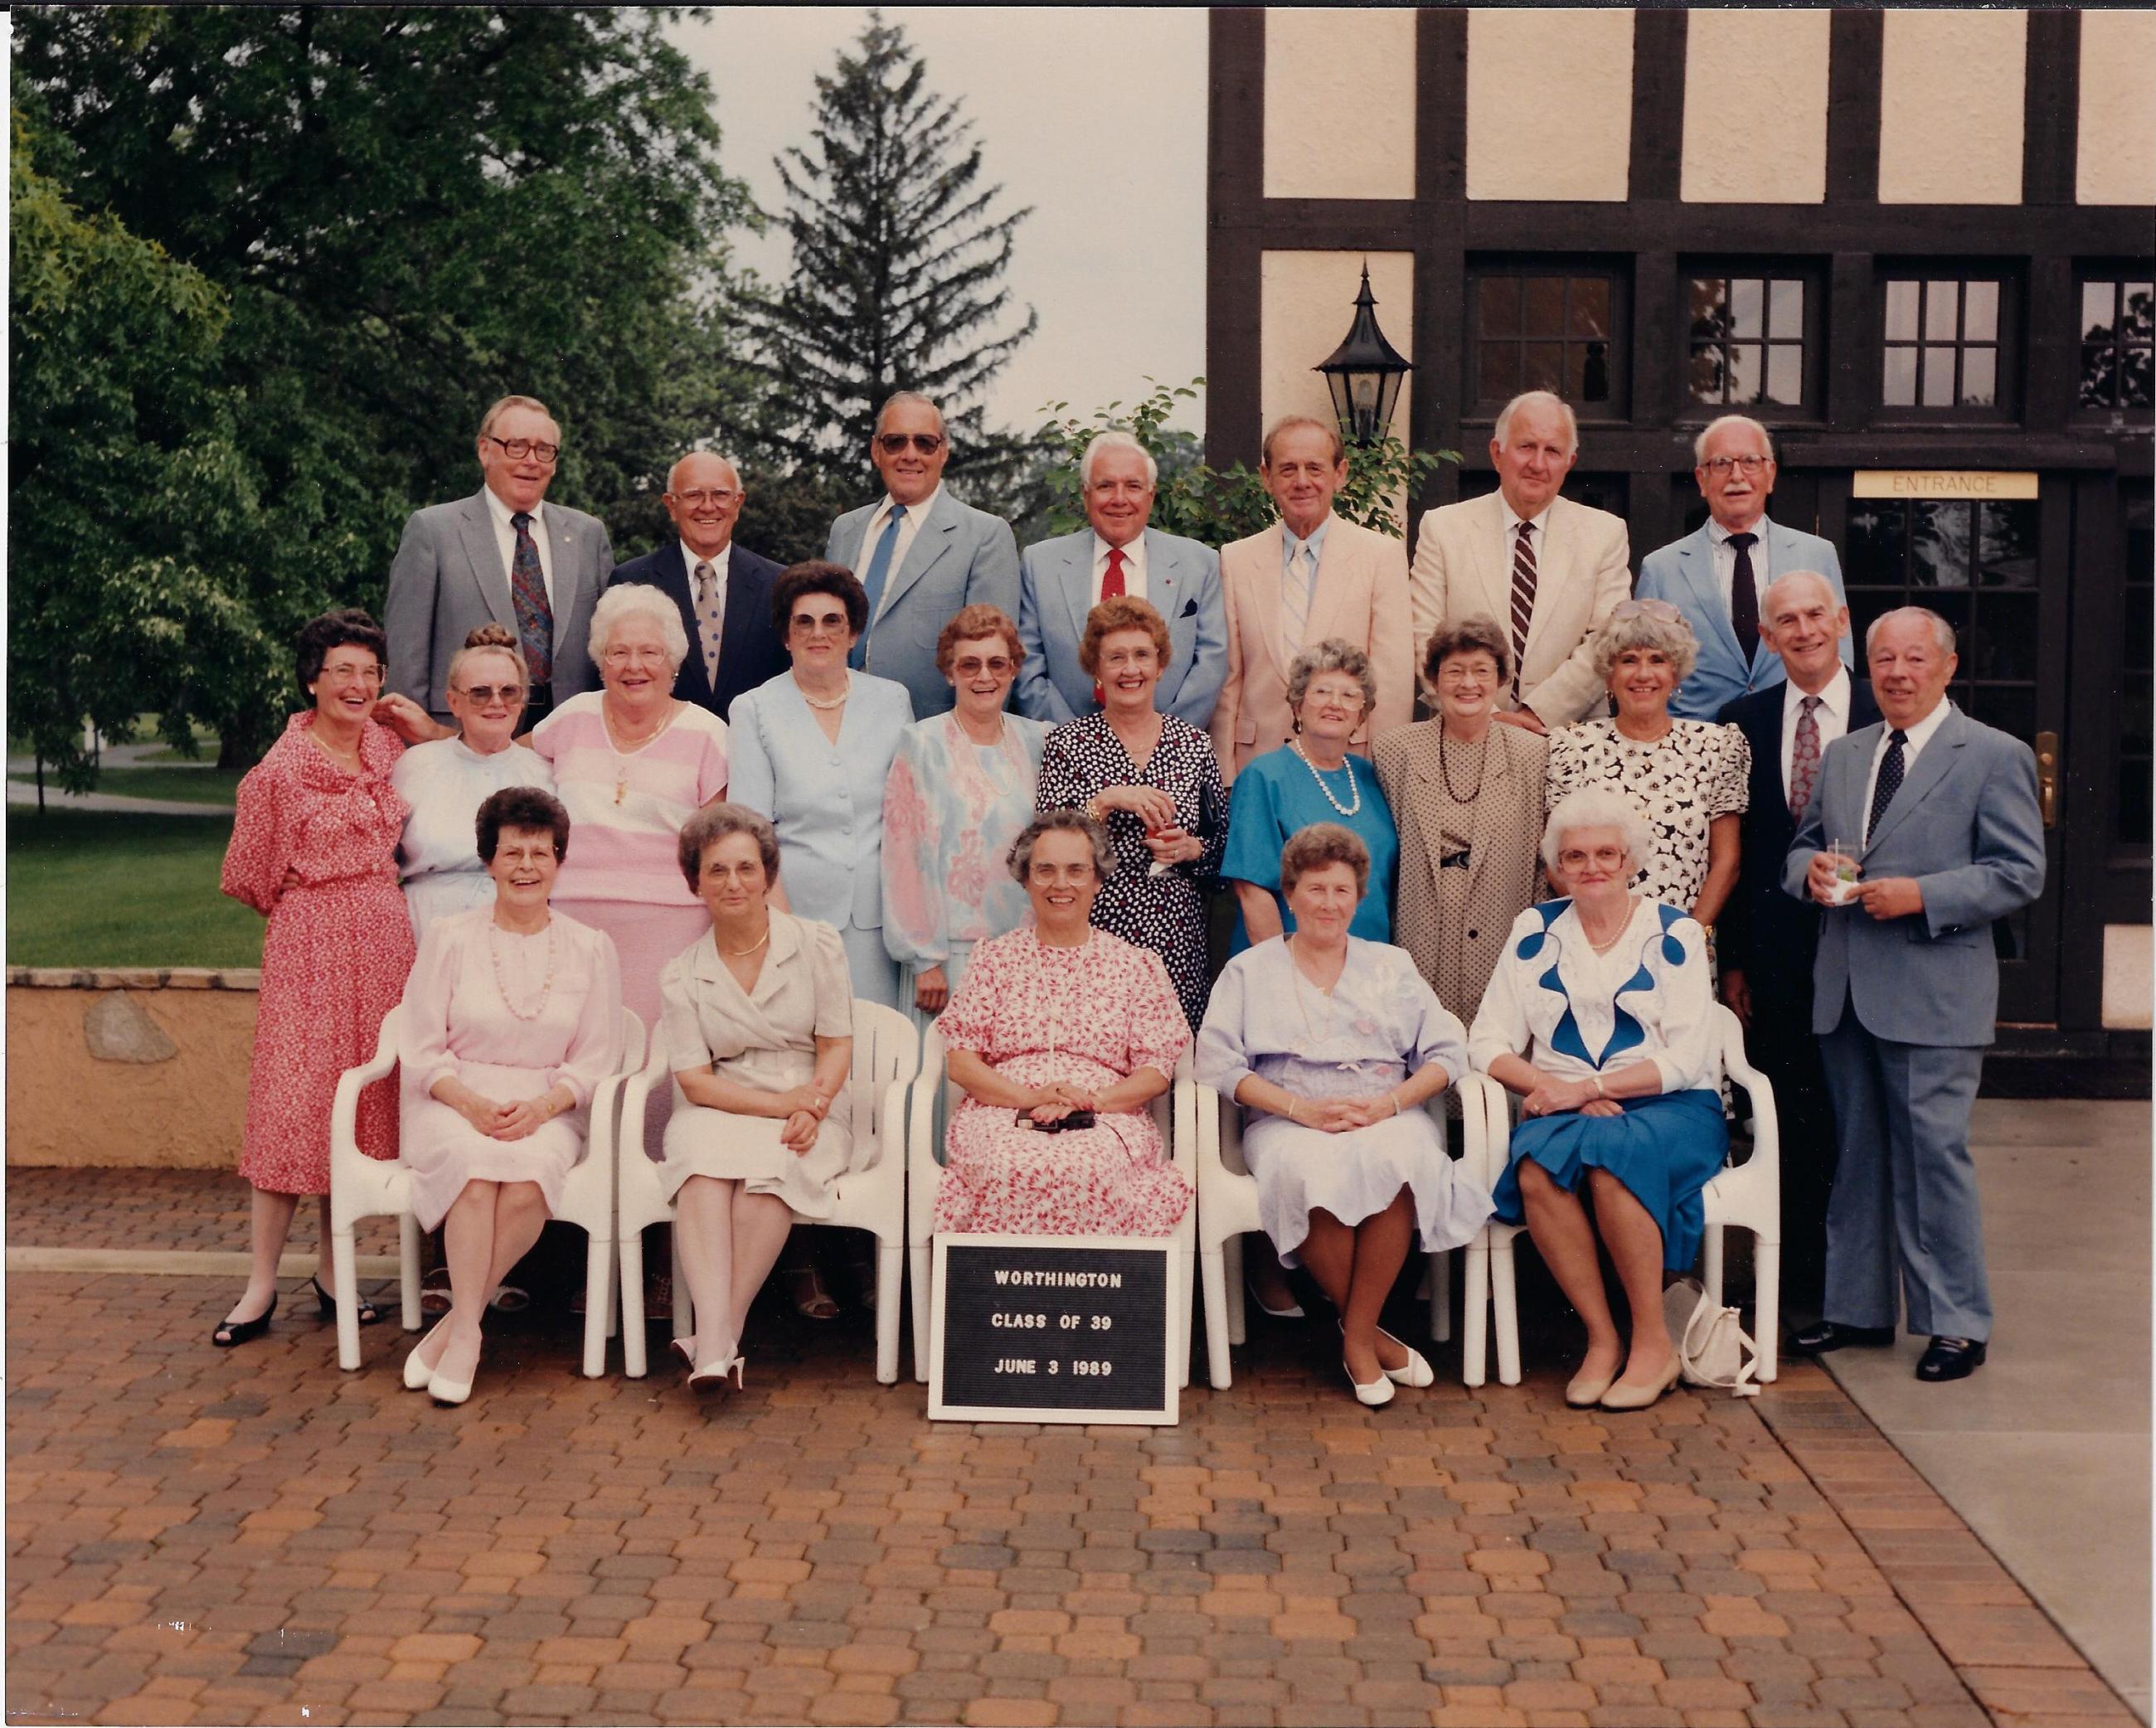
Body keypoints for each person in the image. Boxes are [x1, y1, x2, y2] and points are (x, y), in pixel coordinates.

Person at [1785, 607, 2046, 1384]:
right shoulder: (1845, 753)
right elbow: (1803, 845)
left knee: (1934, 1158)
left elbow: (2018, 872)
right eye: (1885, 660)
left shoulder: (1992, 755)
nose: (1898, 673)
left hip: (1936, 990)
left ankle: (1956, 1323)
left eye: (1914, 659)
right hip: (1847, 989)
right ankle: (1858, 1309)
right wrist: (1810, 874)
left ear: (1948, 667)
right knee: (1857, 1154)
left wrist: (1923, 895)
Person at [1197, 824, 1493, 1407]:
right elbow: (1216, 1063)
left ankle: (1356, 1338)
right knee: (1308, 1171)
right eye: (1314, 889)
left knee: (1404, 1157)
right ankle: (1370, 1338)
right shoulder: (1249, 971)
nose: (1328, 903)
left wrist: (1390, 1104)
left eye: (1341, 890)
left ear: (1359, 898)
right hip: (1287, 1114)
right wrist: (1297, 1108)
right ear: (1290, 894)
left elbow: (1447, 1052)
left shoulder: (1391, 964)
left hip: (1383, 1108)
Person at [1470, 789, 1729, 1412]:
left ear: (1630, 860)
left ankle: (1652, 1343)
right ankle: (1603, 1338)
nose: (1591, 867)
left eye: (1606, 854)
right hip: (1562, 1105)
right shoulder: (1533, 930)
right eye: (1575, 856)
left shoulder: (1677, 933)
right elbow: (1486, 1040)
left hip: (1671, 1108)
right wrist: (1553, 1091)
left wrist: (1587, 1089)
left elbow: (1686, 1058)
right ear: (1557, 867)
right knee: (1535, 1174)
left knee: (1612, 1160)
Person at [214, 609, 419, 1347]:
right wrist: (314, 906)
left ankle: (337, 1274)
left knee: (362, 1104)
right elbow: (246, 875)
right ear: (313, 679)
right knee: (290, 1104)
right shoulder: (277, 772)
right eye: (343, 671)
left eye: (369, 671)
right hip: (309, 944)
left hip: (387, 943)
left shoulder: (392, 750)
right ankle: (259, 1285)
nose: (358, 684)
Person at [394, 789, 624, 1405]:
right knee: (472, 1172)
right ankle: (469, 1332)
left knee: (527, 1176)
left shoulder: (590, 947)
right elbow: (419, 1048)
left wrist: (544, 1108)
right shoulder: (448, 937)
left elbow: (597, 1058)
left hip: (547, 1102)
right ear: (488, 861)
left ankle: (456, 1327)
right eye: (512, 852)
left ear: (559, 861)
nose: (526, 866)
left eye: (541, 853)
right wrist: (469, 1104)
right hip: (450, 1097)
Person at [1716, 573, 1881, 1313]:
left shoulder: (1889, 708)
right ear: (1767, 637)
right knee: (1792, 1116)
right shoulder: (1741, 720)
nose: (1805, 629)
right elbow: (1741, 849)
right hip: (1779, 960)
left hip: (1873, 949)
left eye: (1817, 614)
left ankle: (1866, 1286)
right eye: (1787, 619)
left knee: (1862, 1122)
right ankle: (1803, 1285)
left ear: (1843, 620)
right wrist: (1740, 960)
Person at [657, 804, 856, 1391]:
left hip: (814, 1099)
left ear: (768, 875)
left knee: (771, 1171)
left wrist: (812, 1104)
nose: (734, 883)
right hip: (724, 1101)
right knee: (697, 1166)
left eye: (746, 868)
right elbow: (694, 1081)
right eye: (716, 871)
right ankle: (720, 1344)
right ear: (695, 882)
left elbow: (837, 1043)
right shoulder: (683, 973)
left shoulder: (817, 943)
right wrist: (779, 1106)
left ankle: (714, 1340)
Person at [930, 811, 1192, 1238]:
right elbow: (962, 1064)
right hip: (1003, 1110)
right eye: (1045, 870)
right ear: (1026, 879)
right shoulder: (994, 959)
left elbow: (1155, 1071)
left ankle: (1094, 1302)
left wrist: (1092, 1100)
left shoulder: (1134, 965)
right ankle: (1001, 1302)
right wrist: (1030, 1097)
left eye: (1076, 871)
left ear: (1097, 880)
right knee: (1007, 1164)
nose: (1060, 884)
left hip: (1105, 1114)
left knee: (1093, 1167)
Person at [528, 584, 731, 1041]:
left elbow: (718, 852)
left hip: (671, 932)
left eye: (649, 652)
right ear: (601, 660)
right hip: (569, 930)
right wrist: (433, 735)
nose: (633, 666)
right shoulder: (571, 718)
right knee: (575, 1063)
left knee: (655, 1067)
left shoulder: (708, 735)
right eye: (618, 652)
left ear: (673, 661)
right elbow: (499, 755)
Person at [728, 562, 915, 1012]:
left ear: (853, 635)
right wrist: (781, 928)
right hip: (795, 917)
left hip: (878, 922)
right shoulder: (754, 709)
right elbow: (753, 834)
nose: (819, 634)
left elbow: (909, 819)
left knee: (876, 1052)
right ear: (786, 635)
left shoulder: (892, 701)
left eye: (833, 621)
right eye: (804, 622)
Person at [1037, 597, 1229, 1029]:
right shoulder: (1068, 743)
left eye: (1142, 655)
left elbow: (1223, 852)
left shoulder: (1194, 744)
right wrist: (1104, 801)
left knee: (1173, 1063)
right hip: (1094, 930)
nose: (1130, 669)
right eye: (1116, 658)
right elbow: (1045, 843)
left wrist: (1193, 848)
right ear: (1096, 669)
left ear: (1160, 665)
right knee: (1095, 1054)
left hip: (1176, 934)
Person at [1407, 390, 1629, 732]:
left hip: (1566, 737)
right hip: (1463, 734)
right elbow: (1425, 637)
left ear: (1568, 463)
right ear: (1497, 453)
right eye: (1526, 446)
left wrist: (1537, 715)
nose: (1538, 464)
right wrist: (1489, 717)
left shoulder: (1605, 535)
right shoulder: (1443, 529)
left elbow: (1606, 641)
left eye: (1552, 451)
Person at [385, 394, 614, 726]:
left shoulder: (587, 534)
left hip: (570, 735)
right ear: (484, 450)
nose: (531, 461)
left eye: (544, 450)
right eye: (516, 446)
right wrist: (415, 745)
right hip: (459, 736)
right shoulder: (433, 531)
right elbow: (406, 661)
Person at [1209, 416, 1412, 780]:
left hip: (1349, 761)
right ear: (1266, 477)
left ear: (1340, 473)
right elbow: (1230, 681)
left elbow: (1392, 682)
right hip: (1256, 764)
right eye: (1288, 469)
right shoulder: (1236, 559)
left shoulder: (1380, 556)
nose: (1302, 481)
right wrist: (1225, 776)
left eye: (1314, 468)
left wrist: (1384, 776)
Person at [881, 604, 1050, 1032]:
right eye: (969, 664)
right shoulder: (921, 742)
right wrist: (925, 959)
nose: (984, 676)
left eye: (997, 663)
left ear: (1013, 669)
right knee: (945, 1085)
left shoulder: (1039, 740)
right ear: (949, 672)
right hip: (951, 953)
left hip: (1026, 949)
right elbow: (905, 856)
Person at [1373, 616, 1548, 1021]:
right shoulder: (1394, 751)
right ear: (1434, 679)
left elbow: (1542, 861)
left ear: (1501, 678)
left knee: (1495, 1054)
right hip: (1419, 932)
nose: (1468, 683)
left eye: (1481, 671)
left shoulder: (1532, 754)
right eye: (1455, 671)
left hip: (1502, 931)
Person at [1545, 601, 1750, 929]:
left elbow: (1727, 862)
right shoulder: (1572, 748)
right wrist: (1607, 932)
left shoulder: (1716, 747)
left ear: (1676, 673)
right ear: (1609, 676)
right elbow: (1556, 860)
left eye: (1657, 660)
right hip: (1594, 938)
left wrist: (1686, 938)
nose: (1643, 674)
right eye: (1629, 660)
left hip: (1683, 945)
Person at [1635, 414, 1852, 719]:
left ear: (1770, 474)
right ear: (1701, 479)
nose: (1737, 476)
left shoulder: (1816, 555)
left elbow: (1842, 660)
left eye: (1750, 461)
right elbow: (1644, 671)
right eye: (1721, 463)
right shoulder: (1661, 568)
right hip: (1698, 746)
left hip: (1791, 738)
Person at [823, 391, 1021, 720]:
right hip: (839, 726)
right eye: (896, 442)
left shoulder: (984, 536)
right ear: (876, 451)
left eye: (925, 443)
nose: (910, 455)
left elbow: (994, 664)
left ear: (943, 452)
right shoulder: (846, 530)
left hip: (931, 737)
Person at [1015, 430, 1227, 729]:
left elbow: (1211, 664)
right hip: (1063, 750)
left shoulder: (1199, 563)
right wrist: (1076, 744)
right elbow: (1028, 664)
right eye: (1105, 486)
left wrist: (1162, 743)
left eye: (1133, 486)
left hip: (1169, 756)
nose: (1119, 499)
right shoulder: (1041, 564)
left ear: (1150, 495)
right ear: (1086, 494)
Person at [1221, 640, 1399, 953]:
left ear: (1361, 715)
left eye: (1349, 695)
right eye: (1322, 691)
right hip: (1293, 965)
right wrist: (1287, 975)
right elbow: (1252, 892)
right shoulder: (1264, 777)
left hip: (1368, 965)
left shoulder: (1370, 776)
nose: (1335, 703)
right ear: (1298, 705)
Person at [392, 624, 556, 941]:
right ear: (454, 702)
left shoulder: (544, 776)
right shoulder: (415, 766)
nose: (496, 702)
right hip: (428, 931)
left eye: (509, 691)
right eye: (480, 693)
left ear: (523, 700)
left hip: (520, 934)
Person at [607, 451, 790, 726]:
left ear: (738, 503)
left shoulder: (779, 584)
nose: (708, 507)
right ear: (671, 505)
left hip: (753, 751)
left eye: (720, 495)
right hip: (662, 750)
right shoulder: (633, 580)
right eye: (693, 495)